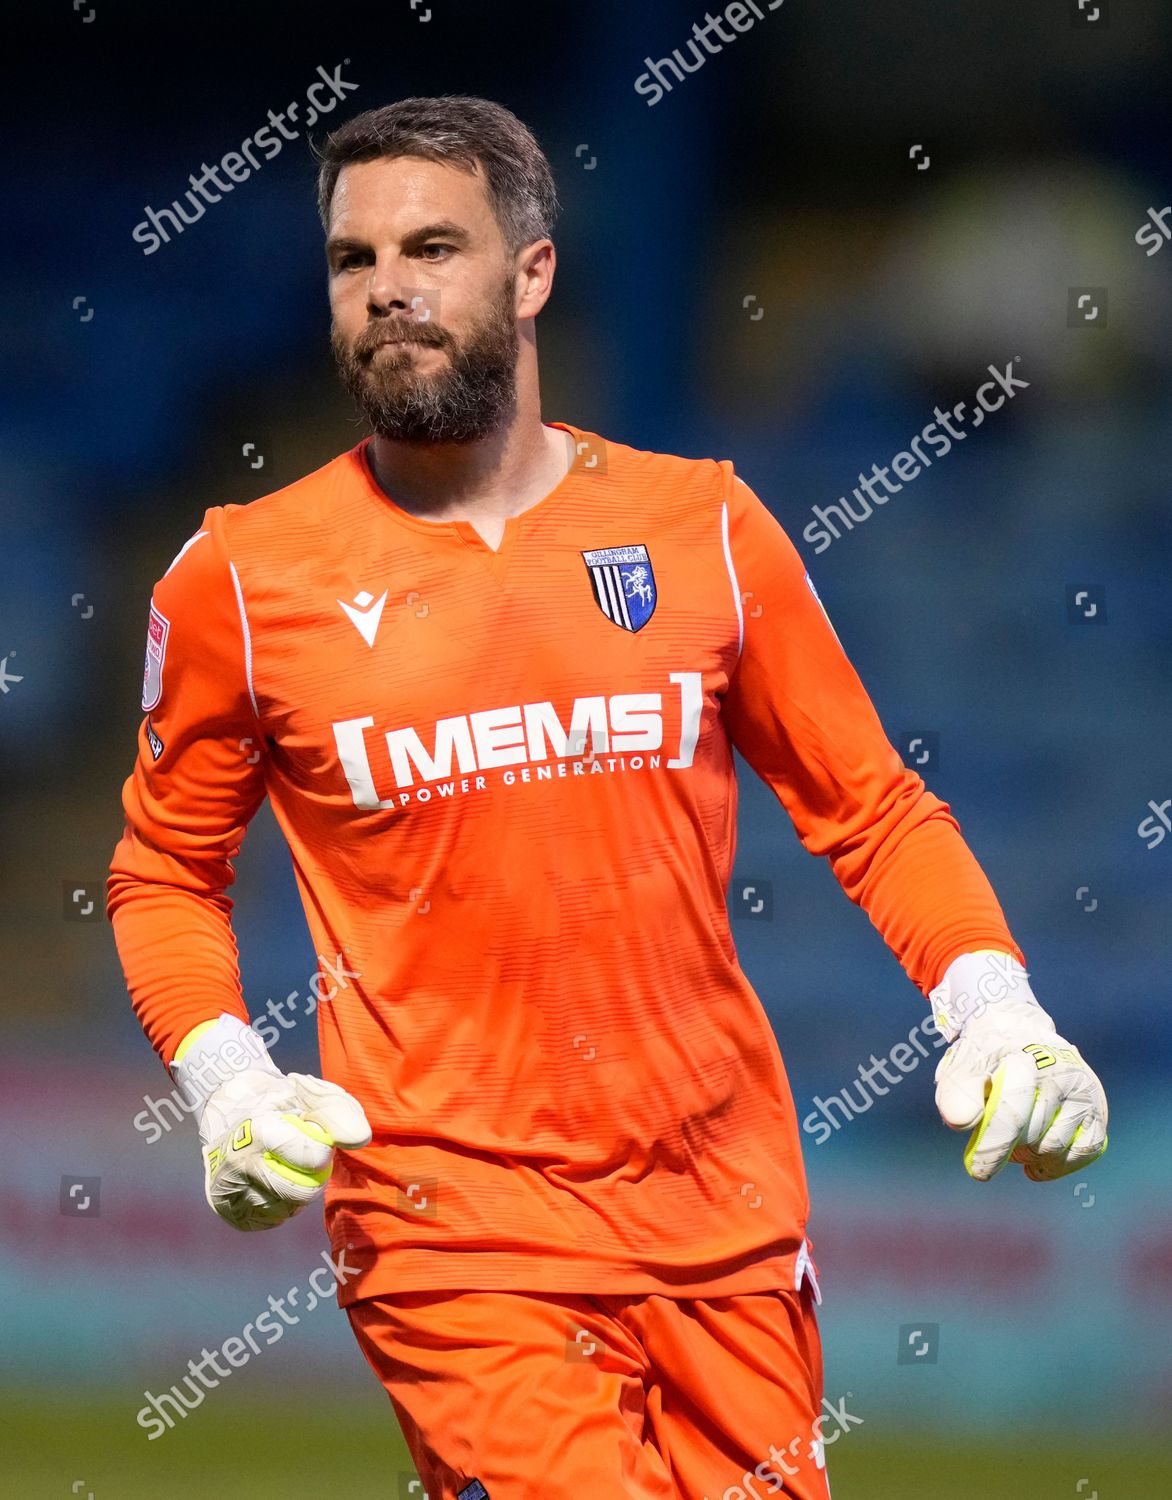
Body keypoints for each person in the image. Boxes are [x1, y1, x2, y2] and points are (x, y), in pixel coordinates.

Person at [108, 96, 1108, 1500]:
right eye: (352, 259)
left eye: (433, 246)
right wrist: (223, 1083)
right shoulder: (239, 584)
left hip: (728, 1221)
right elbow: (162, 872)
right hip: (451, 1236)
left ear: (531, 273)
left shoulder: (704, 527)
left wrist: (1001, 1009)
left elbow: (869, 807)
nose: (388, 286)